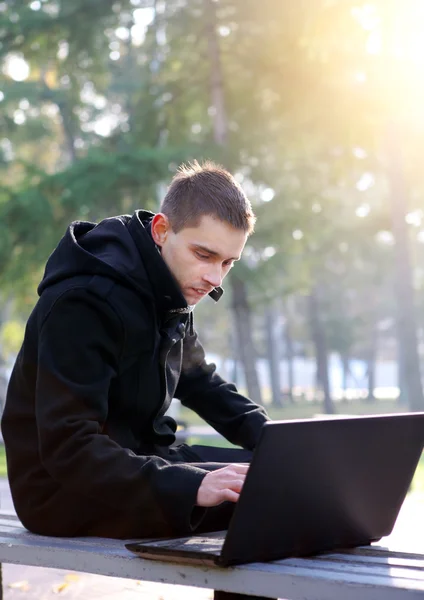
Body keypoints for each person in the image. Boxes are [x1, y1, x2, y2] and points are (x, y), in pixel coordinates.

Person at [1, 160, 270, 540]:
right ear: (161, 229)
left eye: (228, 262)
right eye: (204, 255)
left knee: (285, 476)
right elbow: (70, 449)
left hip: (145, 462)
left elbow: (200, 382)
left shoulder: (171, 289)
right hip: (63, 492)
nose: (214, 279)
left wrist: (277, 441)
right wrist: (193, 487)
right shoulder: (84, 302)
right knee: (274, 497)